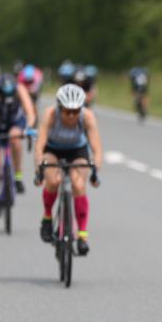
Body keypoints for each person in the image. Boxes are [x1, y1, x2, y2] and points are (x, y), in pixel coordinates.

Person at [34, 84, 103, 255]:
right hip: (53, 149)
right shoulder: (50, 114)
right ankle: (47, 218)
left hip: (77, 150)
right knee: (54, 180)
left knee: (78, 185)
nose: (72, 116)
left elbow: (97, 148)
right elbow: (40, 145)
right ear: (59, 108)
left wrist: (95, 170)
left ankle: (82, 236)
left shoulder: (87, 117)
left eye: (75, 111)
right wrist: (39, 169)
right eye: (67, 111)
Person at [0, 74, 36, 215]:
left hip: (14, 121)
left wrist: (28, 127)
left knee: (15, 139)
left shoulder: (20, 88)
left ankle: (17, 176)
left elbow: (30, 111)